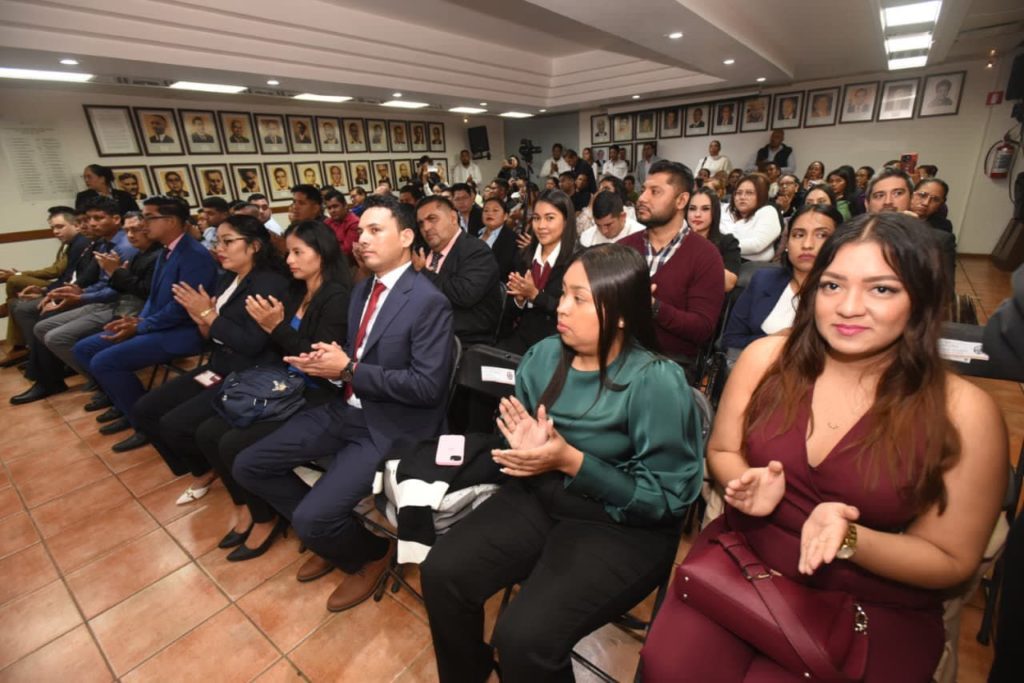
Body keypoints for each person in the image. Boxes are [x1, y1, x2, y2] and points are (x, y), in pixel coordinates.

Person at [642, 213, 1007, 682]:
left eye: (881, 289)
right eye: (833, 286)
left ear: (922, 299)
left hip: (868, 603)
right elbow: (724, 453)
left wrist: (851, 539)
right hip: (746, 563)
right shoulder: (766, 360)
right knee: (667, 667)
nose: (848, 307)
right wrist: (745, 482)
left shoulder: (963, 413)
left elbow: (951, 559)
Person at [421, 243, 705, 682]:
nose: (561, 307)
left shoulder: (655, 381)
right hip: (542, 493)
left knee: (523, 639)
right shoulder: (544, 356)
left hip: (622, 525)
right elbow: (520, 430)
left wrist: (572, 461)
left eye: (579, 298)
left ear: (622, 313)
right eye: (564, 293)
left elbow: (666, 499)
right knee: (442, 573)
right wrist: (521, 446)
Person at [233, 193, 454, 613]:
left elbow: (427, 387)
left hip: (391, 424)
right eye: (361, 231)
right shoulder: (362, 288)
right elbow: (355, 356)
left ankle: (368, 553)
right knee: (249, 464)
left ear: (407, 237)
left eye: (376, 230)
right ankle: (333, 534)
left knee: (310, 517)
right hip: (346, 407)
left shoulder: (428, 301)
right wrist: (325, 365)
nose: (362, 239)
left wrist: (350, 368)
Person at [194, 220, 351, 561]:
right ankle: (252, 509)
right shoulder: (296, 290)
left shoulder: (336, 297)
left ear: (321, 254)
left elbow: (316, 359)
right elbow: (279, 346)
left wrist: (275, 328)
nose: (289, 260)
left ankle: (271, 518)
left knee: (233, 444)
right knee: (208, 432)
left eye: (298, 252)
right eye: (288, 252)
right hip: (284, 384)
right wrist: (271, 331)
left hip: (314, 393)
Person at [131, 214, 289, 506]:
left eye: (228, 242)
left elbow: (251, 343)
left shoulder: (269, 282)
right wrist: (202, 320)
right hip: (220, 365)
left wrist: (208, 315)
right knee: (146, 408)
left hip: (250, 372)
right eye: (218, 242)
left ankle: (219, 476)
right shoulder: (228, 277)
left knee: (176, 423)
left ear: (254, 246)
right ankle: (204, 469)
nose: (219, 248)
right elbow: (211, 333)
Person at [72, 196, 218, 453]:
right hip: (160, 325)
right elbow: (153, 296)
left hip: (186, 331)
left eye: (149, 217)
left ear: (171, 221)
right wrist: (140, 320)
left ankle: (145, 426)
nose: (143, 223)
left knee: (105, 361)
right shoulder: (166, 249)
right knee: (84, 349)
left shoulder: (194, 255)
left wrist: (142, 327)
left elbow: (183, 308)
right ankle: (124, 407)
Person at [18, 210, 157, 407]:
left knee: (59, 336)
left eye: (96, 219)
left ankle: (106, 386)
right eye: (85, 220)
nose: (89, 225)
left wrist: (82, 294)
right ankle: (100, 384)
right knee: (41, 325)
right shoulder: (105, 244)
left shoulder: (127, 248)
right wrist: (77, 291)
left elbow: (133, 291)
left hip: (121, 307)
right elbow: (93, 281)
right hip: (111, 301)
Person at [619, 160, 725, 364]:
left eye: (655, 192)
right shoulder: (623, 248)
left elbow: (702, 328)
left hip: (672, 364)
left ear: (681, 200)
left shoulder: (706, 255)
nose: (642, 198)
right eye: (643, 190)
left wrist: (654, 307)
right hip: (618, 356)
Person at [722, 204, 842, 350]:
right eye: (799, 235)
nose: (807, 244)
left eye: (821, 235)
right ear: (787, 242)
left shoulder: (844, 294)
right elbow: (731, 340)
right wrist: (773, 341)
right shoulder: (763, 280)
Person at [412, 195, 502, 345]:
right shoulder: (421, 252)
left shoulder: (476, 251)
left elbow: (464, 295)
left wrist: (423, 272)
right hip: (422, 332)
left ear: (453, 218)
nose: (426, 228)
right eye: (421, 223)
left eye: (432, 219)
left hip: (462, 341)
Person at [499, 189, 578, 355]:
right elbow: (507, 314)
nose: (541, 226)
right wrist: (519, 300)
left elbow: (576, 312)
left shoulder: (578, 261)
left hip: (561, 345)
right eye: (536, 218)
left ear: (566, 221)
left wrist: (535, 295)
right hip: (523, 340)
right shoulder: (522, 256)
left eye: (550, 218)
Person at [0, 207, 82, 365]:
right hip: (61, 283)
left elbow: (55, 271)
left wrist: (20, 274)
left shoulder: (78, 242)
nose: (56, 231)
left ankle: (6, 310)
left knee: (14, 280)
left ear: (76, 224)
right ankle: (22, 347)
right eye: (53, 227)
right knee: (14, 302)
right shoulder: (67, 243)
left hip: (65, 286)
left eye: (59, 226)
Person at [686, 187, 740, 292]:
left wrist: (698, 245)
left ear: (714, 212)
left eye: (705, 209)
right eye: (692, 208)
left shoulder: (728, 242)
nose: (697, 214)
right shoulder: (675, 239)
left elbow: (728, 284)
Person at [720, 175, 783, 262]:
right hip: (718, 259)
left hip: (751, 266)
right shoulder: (724, 209)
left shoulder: (768, 211)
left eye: (749, 193)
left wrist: (719, 245)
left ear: (761, 196)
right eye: (738, 193)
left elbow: (757, 245)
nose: (742, 197)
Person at [578, 191, 643, 248]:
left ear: (622, 217)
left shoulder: (641, 236)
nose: (604, 231)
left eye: (608, 225)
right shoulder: (587, 237)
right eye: (598, 225)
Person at [477, 196, 518, 282]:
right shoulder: (476, 234)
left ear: (505, 216)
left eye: (495, 210)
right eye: (486, 210)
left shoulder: (512, 239)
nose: (489, 214)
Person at [75, 164, 139, 215]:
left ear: (102, 179)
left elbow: (136, 214)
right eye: (84, 177)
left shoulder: (124, 195)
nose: (86, 180)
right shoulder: (83, 197)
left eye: (89, 177)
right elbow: (81, 217)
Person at [323, 189, 359, 256]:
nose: (332, 211)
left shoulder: (354, 222)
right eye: (329, 208)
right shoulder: (327, 222)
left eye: (335, 206)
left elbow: (347, 250)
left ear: (345, 205)